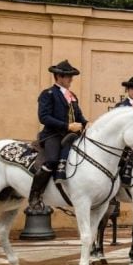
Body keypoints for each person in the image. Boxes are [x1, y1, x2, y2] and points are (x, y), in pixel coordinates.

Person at [28, 60, 88, 212]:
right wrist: (67, 126)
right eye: (68, 76)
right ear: (59, 77)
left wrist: (87, 123)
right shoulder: (48, 94)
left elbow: (78, 115)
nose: (71, 79)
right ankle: (35, 195)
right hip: (52, 135)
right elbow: (44, 117)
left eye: (71, 76)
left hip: (72, 135)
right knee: (52, 160)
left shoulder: (72, 95)